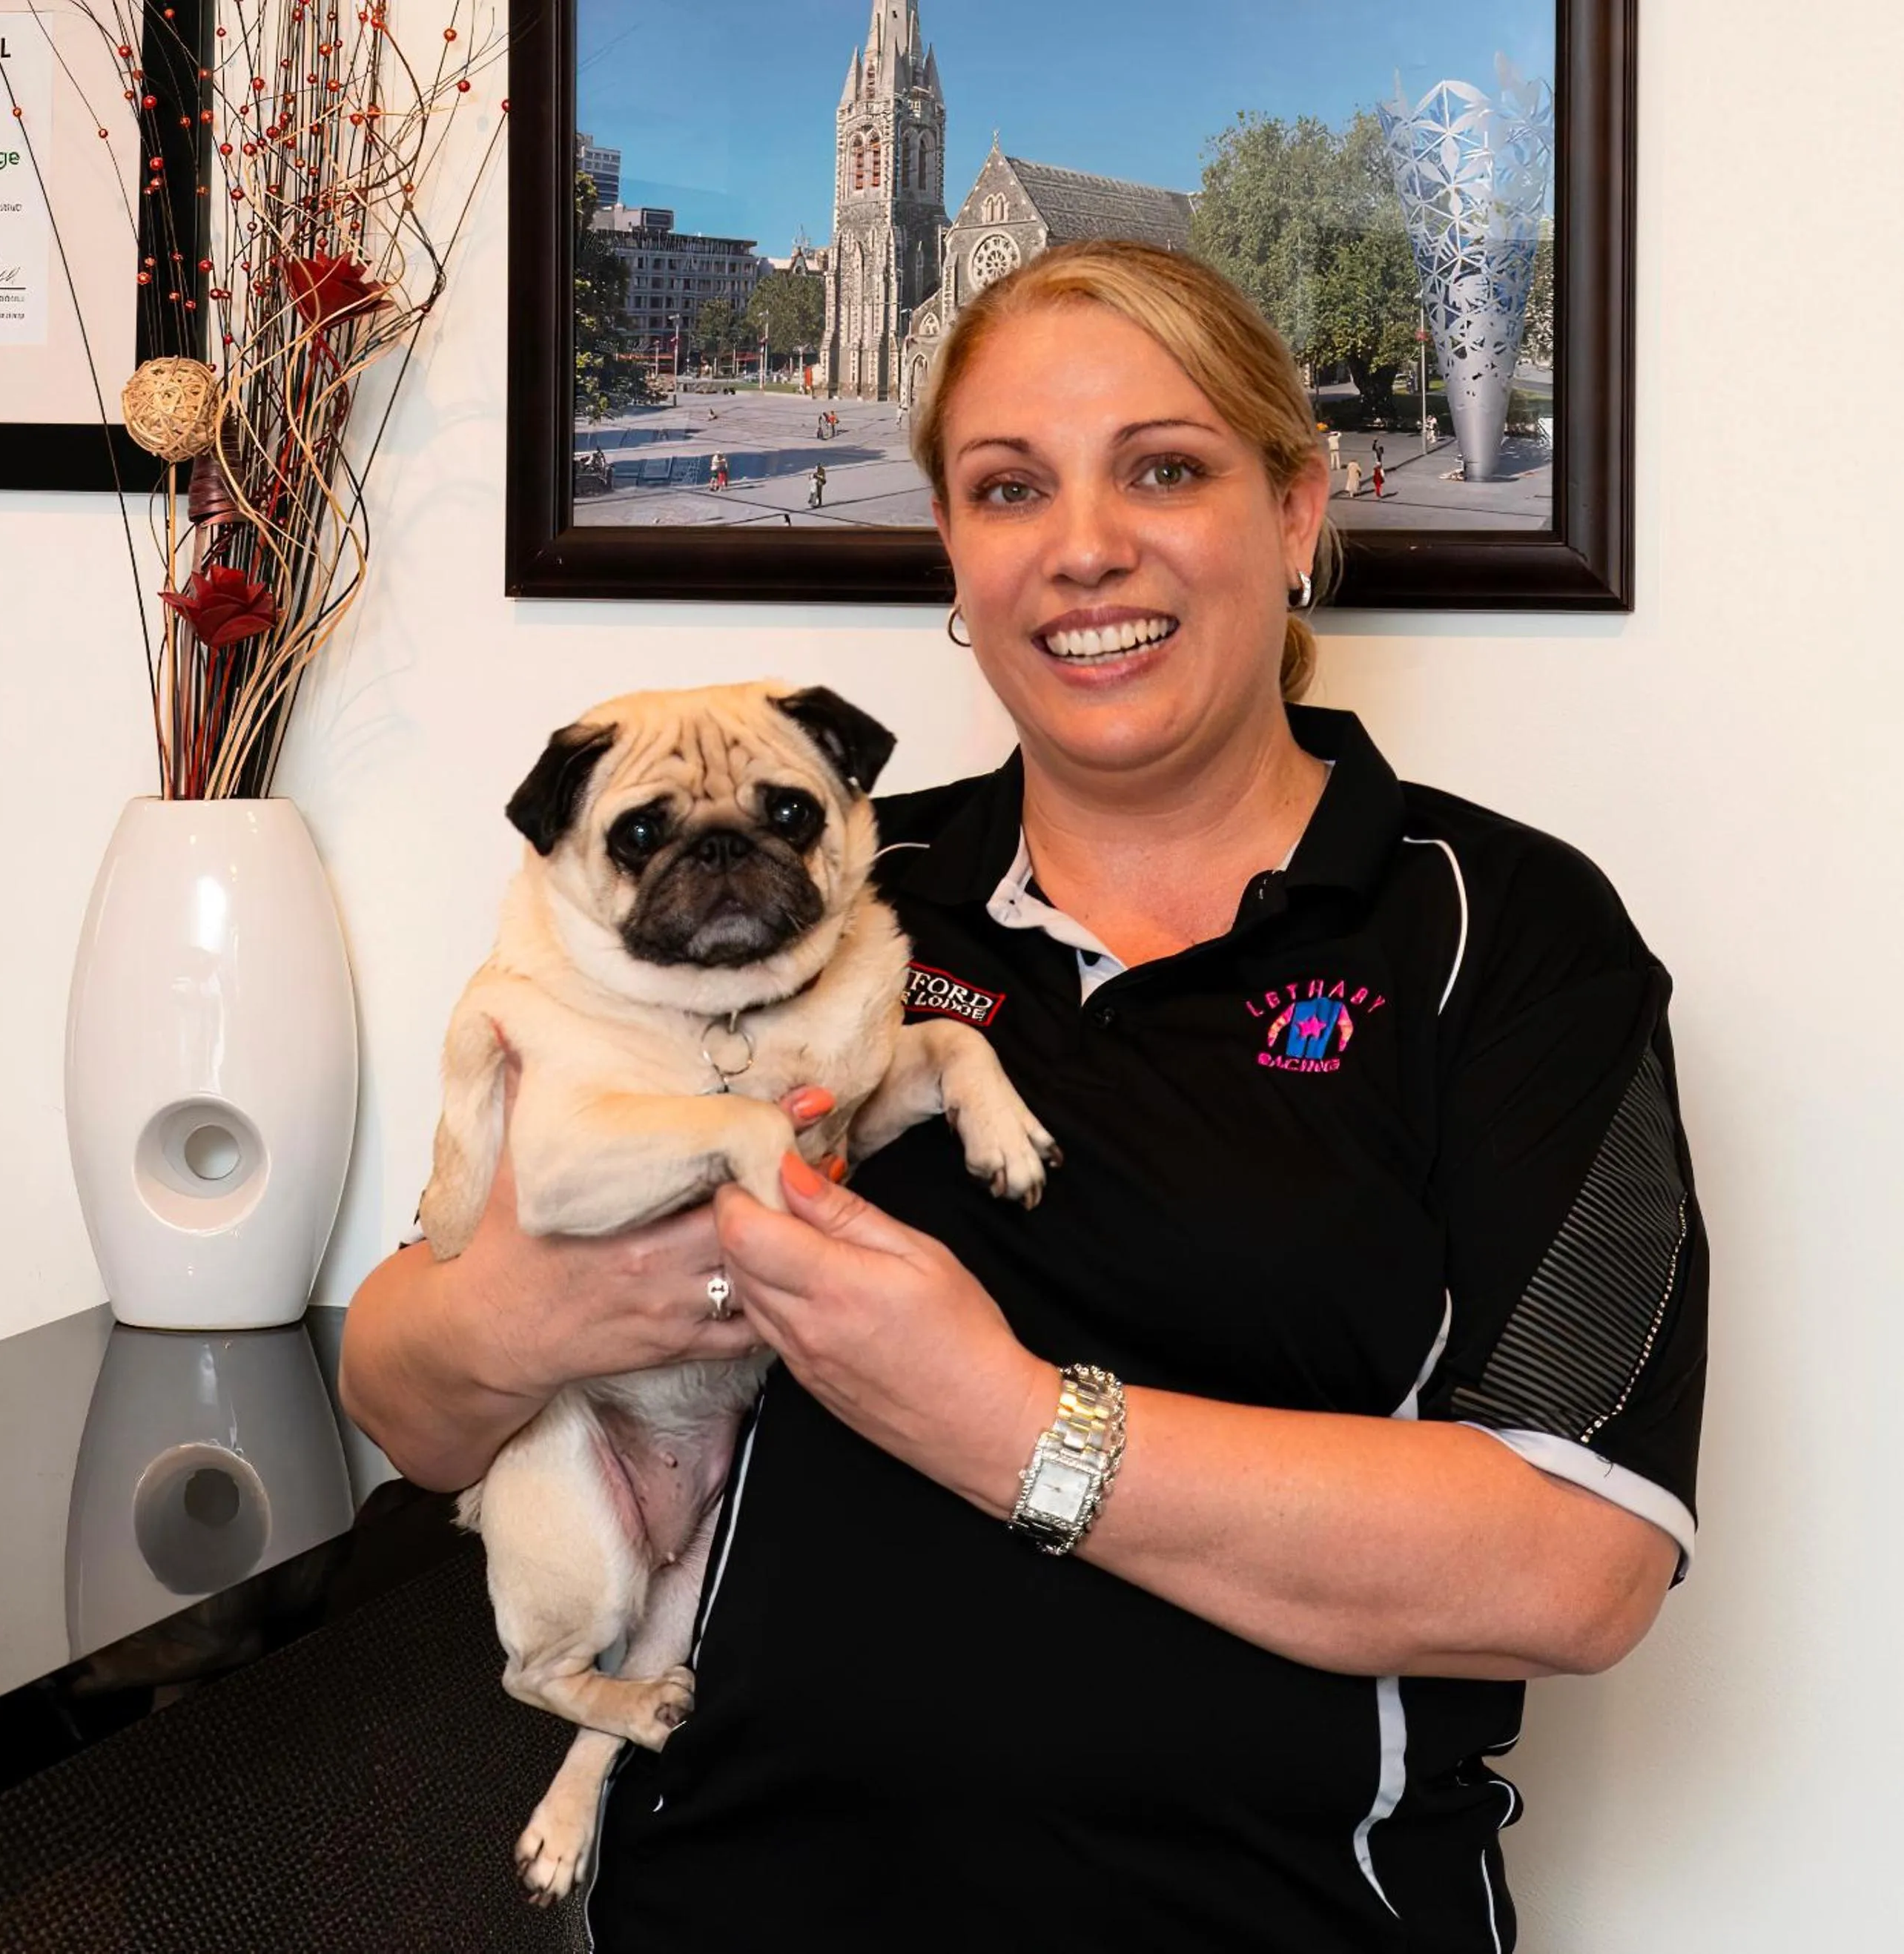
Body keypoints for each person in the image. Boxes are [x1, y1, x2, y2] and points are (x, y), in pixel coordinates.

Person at [342, 240, 1706, 1950]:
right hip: (725, 1899)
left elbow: (1581, 1570)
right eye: (1009, 487)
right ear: (955, 557)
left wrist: (1001, 1421)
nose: (1083, 547)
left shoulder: (1502, 936)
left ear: (1298, 512)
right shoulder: (812, 906)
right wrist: (558, 1303)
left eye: (1166, 467)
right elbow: (405, 1393)